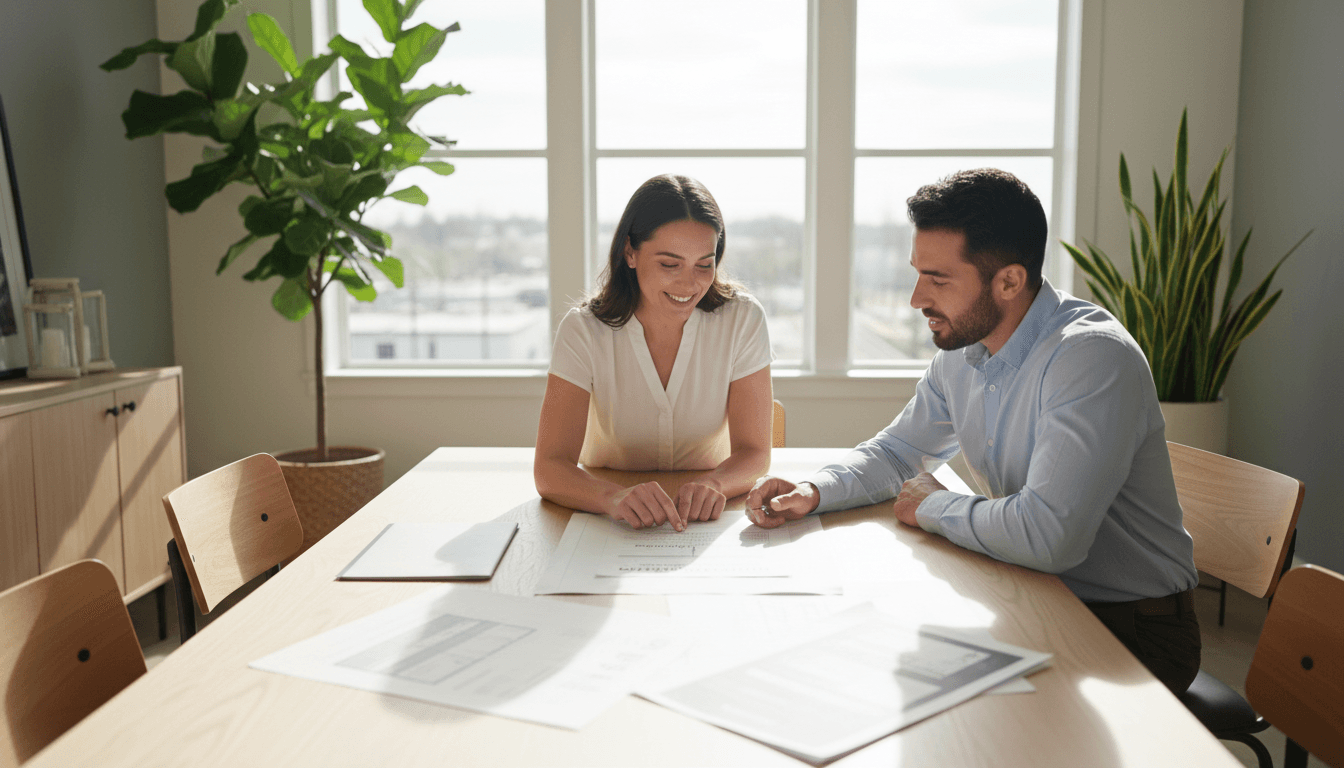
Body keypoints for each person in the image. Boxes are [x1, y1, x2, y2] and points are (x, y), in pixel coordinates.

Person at [745, 168, 1201, 694]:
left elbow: (1049, 537)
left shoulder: (1091, 359)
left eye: (938, 279)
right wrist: (815, 489)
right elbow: (898, 454)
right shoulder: (966, 349)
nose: (916, 298)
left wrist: (933, 506)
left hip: (1131, 629)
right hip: (1031, 592)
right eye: (918, 274)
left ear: (1008, 281)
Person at [535, 174, 775, 533]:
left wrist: (716, 484)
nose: (689, 284)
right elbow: (550, 467)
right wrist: (610, 497)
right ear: (630, 252)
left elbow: (755, 452)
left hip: (706, 520)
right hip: (606, 521)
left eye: (704, 264)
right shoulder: (583, 330)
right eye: (669, 264)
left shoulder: (743, 318)